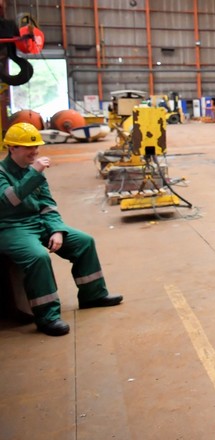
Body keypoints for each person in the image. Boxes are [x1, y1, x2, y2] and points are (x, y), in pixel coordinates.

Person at [0, 123, 123, 336]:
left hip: (39, 223)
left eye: (36, 146)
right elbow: (9, 200)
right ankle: (47, 318)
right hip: (11, 227)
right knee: (38, 257)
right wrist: (34, 173)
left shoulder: (32, 171)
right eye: (29, 147)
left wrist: (57, 230)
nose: (35, 151)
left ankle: (92, 295)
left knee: (84, 242)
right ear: (12, 148)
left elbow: (47, 205)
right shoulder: (5, 173)